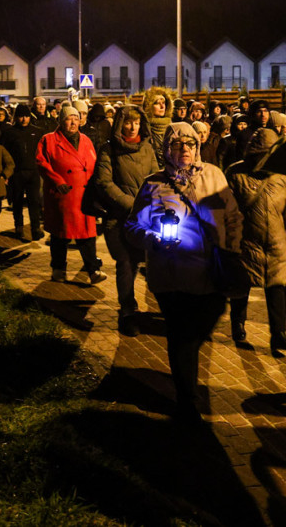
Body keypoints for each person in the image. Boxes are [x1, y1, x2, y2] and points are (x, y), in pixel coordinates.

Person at [125, 122, 243, 423]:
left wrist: (231, 247)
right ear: (167, 149)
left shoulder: (214, 175)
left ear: (197, 147)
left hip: (210, 272)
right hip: (172, 276)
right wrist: (154, 239)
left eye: (189, 144)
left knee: (200, 329)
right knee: (181, 339)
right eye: (177, 145)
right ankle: (187, 399)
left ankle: (186, 385)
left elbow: (233, 216)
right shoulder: (153, 184)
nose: (185, 150)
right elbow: (132, 227)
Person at [226, 128, 286, 354]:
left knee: (276, 289)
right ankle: (237, 324)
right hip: (246, 241)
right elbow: (227, 211)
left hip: (277, 243)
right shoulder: (236, 173)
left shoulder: (280, 177)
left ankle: (278, 335)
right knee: (241, 286)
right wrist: (229, 240)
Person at [95, 104, 159, 336]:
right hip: (118, 219)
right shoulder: (108, 149)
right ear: (120, 125)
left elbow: (156, 179)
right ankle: (127, 310)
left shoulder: (147, 148)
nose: (132, 127)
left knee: (153, 264)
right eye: (128, 122)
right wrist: (132, 205)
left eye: (136, 122)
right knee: (126, 264)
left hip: (146, 219)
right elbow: (104, 183)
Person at [36, 106, 107, 284]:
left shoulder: (85, 140)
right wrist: (57, 181)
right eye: (69, 118)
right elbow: (42, 163)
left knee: (87, 236)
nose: (74, 122)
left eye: (76, 118)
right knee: (61, 236)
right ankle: (58, 269)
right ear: (61, 121)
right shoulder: (49, 140)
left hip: (84, 196)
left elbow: (93, 163)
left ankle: (93, 271)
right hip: (64, 195)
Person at [1, 104, 44, 239]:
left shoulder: (37, 132)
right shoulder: (10, 133)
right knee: (17, 201)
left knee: (34, 201)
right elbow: (3, 152)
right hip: (16, 172)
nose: (24, 119)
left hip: (33, 171)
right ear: (16, 117)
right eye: (21, 116)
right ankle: (19, 227)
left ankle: (35, 228)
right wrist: (5, 173)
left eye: (26, 116)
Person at [142, 86, 175, 167]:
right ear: (149, 106)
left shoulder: (172, 127)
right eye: (157, 103)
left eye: (163, 103)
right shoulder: (144, 127)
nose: (162, 106)